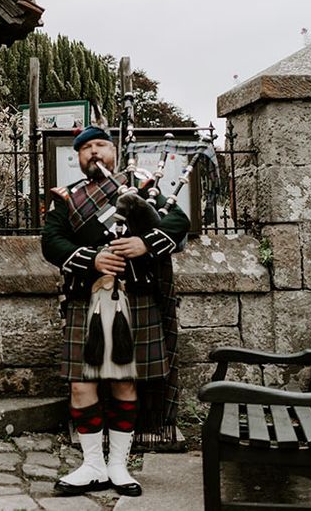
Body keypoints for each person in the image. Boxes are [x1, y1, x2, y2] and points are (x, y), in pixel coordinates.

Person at [41, 125, 190, 497]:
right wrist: (94, 259)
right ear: (78, 158)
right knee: (81, 383)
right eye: (86, 148)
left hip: (135, 297)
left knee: (125, 382)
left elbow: (178, 222)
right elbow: (52, 242)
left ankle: (119, 465)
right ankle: (92, 465)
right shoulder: (68, 199)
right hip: (85, 300)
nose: (94, 152)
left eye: (101, 146)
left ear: (114, 151)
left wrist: (145, 243)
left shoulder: (140, 187)